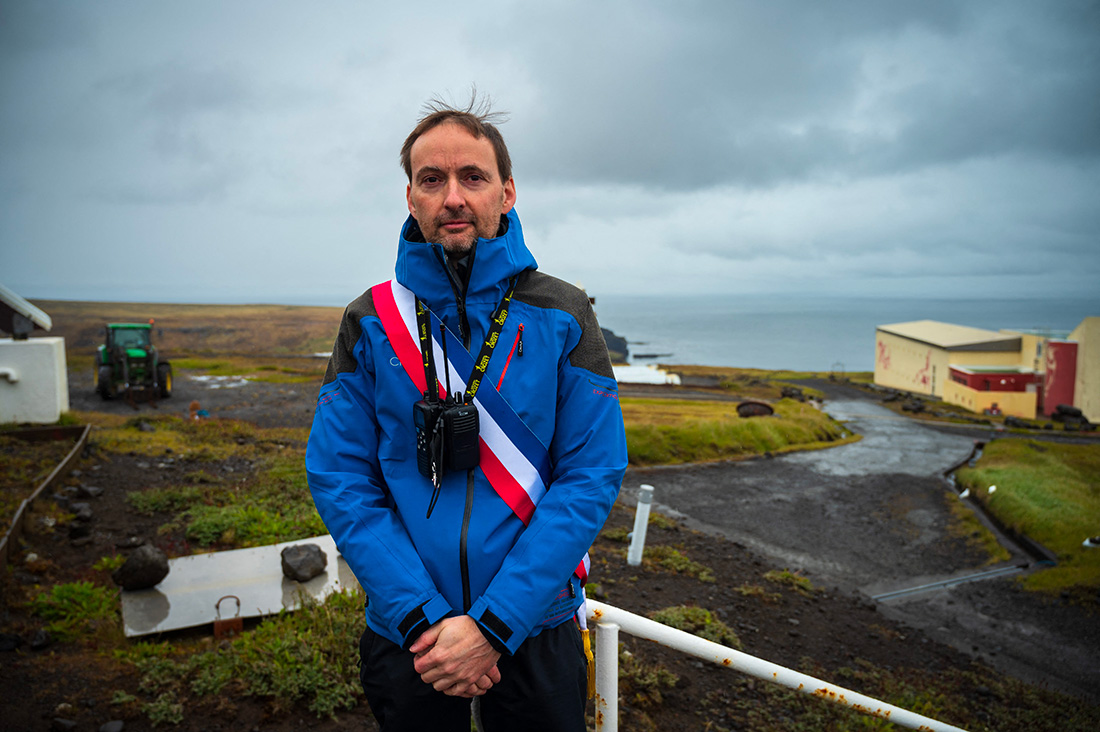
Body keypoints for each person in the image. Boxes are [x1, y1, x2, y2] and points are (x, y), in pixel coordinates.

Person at [306, 98, 628, 731]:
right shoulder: (368, 321)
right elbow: (341, 477)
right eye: (433, 180)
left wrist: (496, 623)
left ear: (506, 192)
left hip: (534, 624)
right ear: (411, 198)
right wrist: (423, 619)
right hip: (409, 633)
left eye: (472, 177)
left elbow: (591, 473)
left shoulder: (565, 314)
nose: (453, 196)